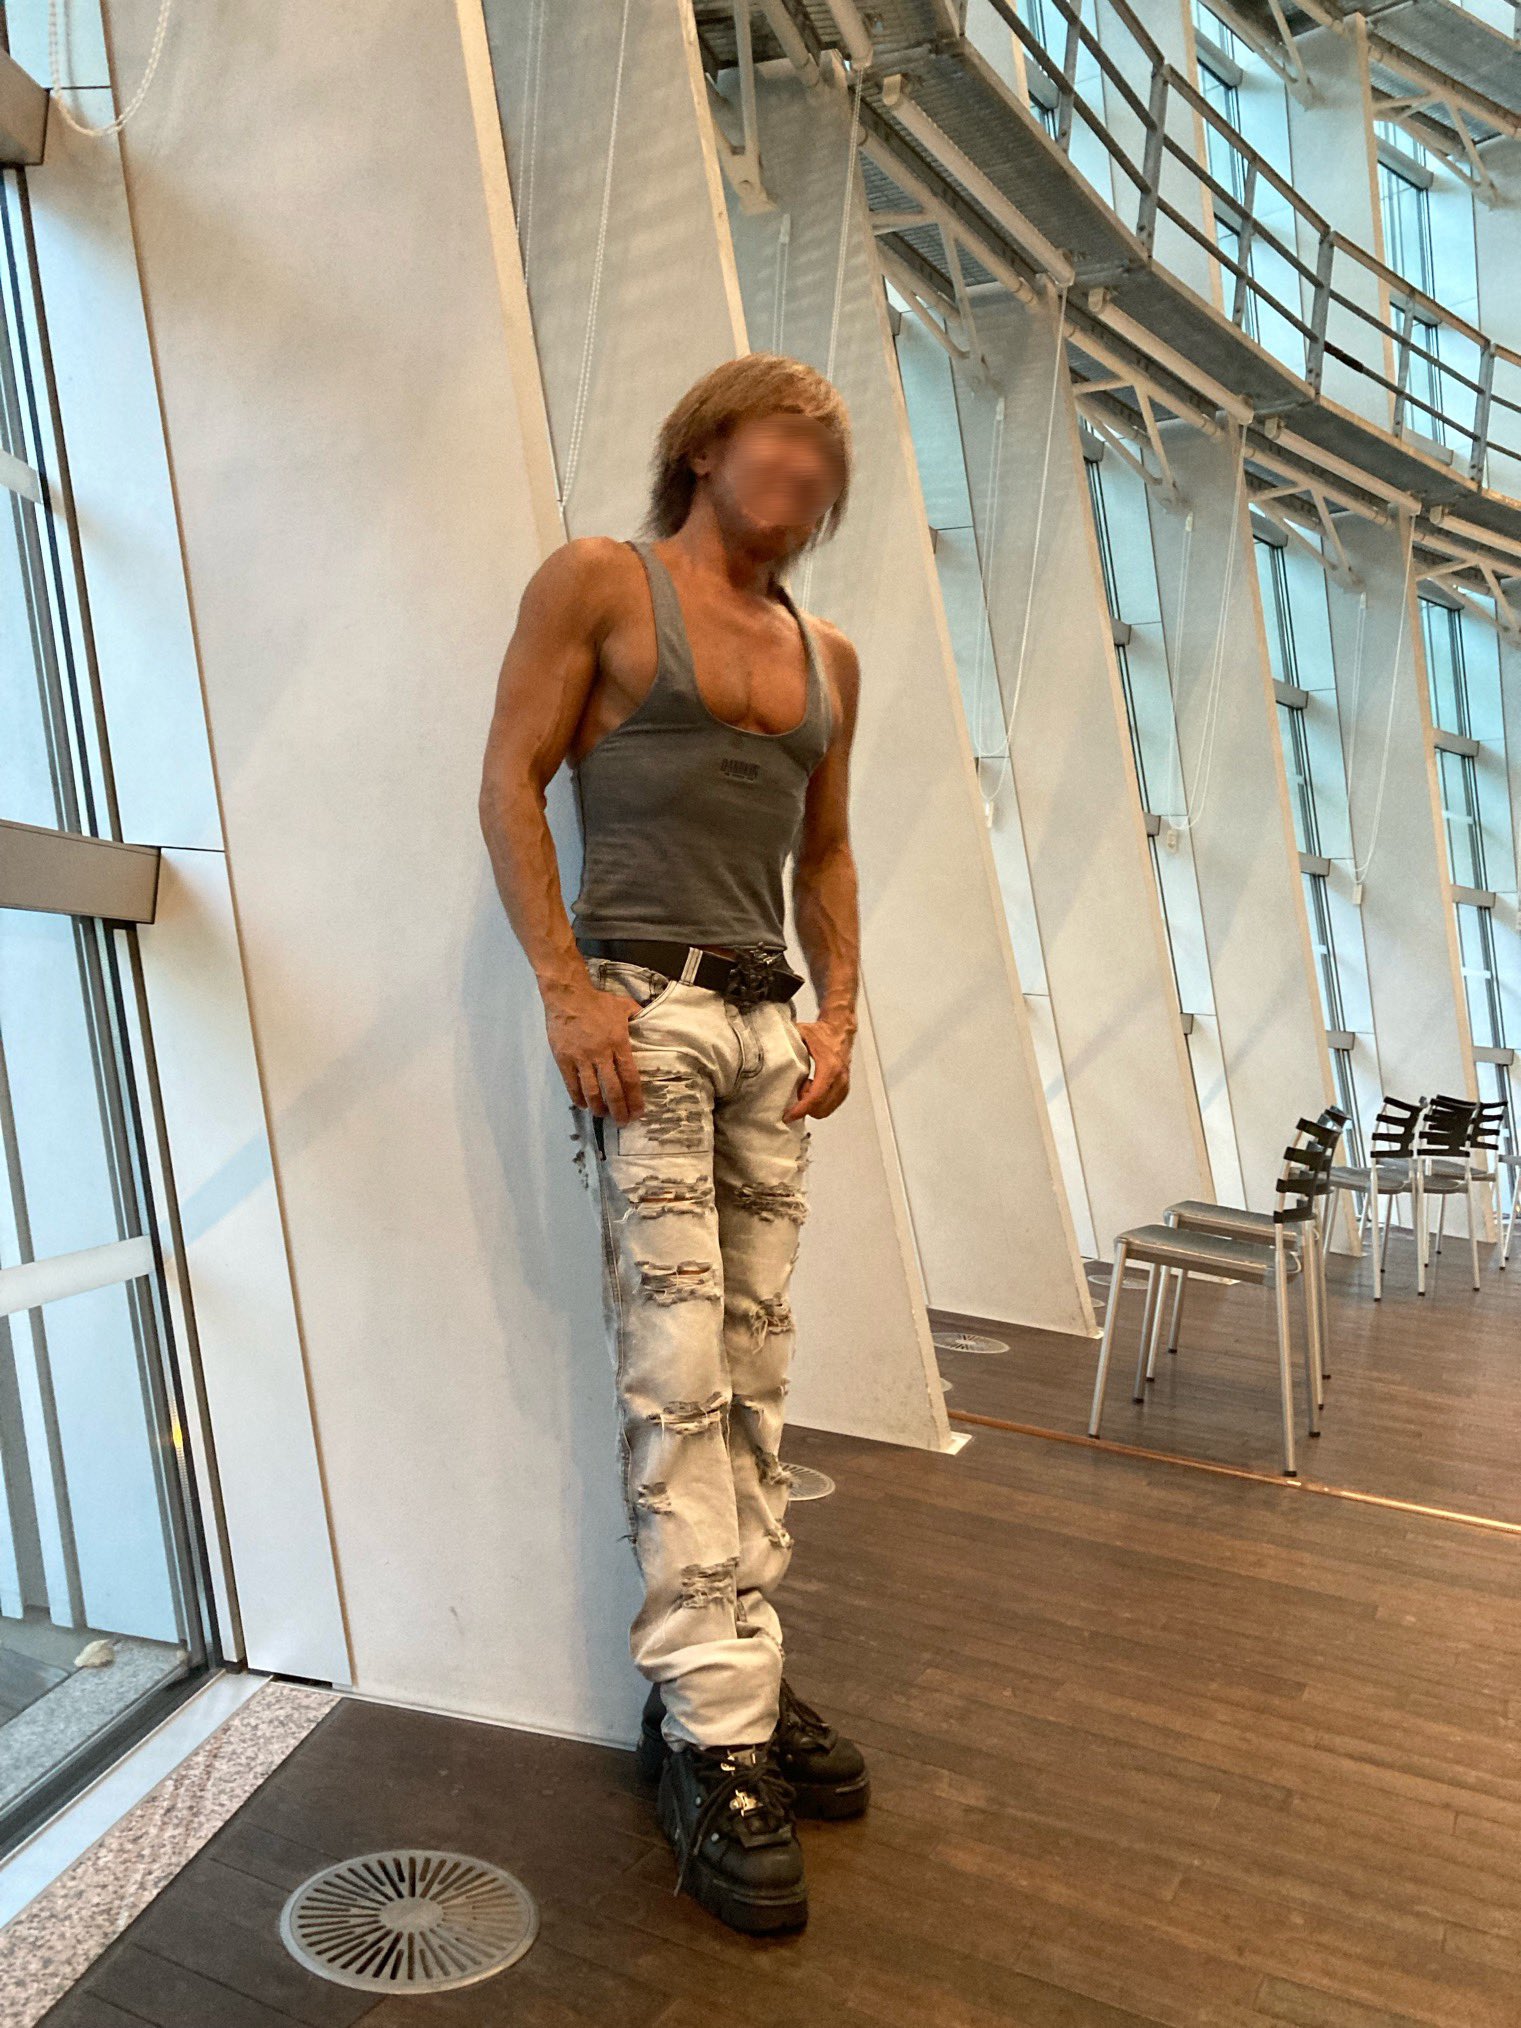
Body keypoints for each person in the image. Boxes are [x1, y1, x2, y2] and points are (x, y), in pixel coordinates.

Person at [478, 352, 866, 1936]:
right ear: (704, 444)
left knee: (755, 1374)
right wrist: (564, 989)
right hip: (647, 1014)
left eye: (827, 461)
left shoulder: (827, 653)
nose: (807, 472)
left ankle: (737, 1673)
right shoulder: (598, 581)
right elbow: (509, 781)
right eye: (784, 439)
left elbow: (824, 849)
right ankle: (710, 1736)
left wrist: (841, 1013)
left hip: (769, 1029)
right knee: (678, 1364)